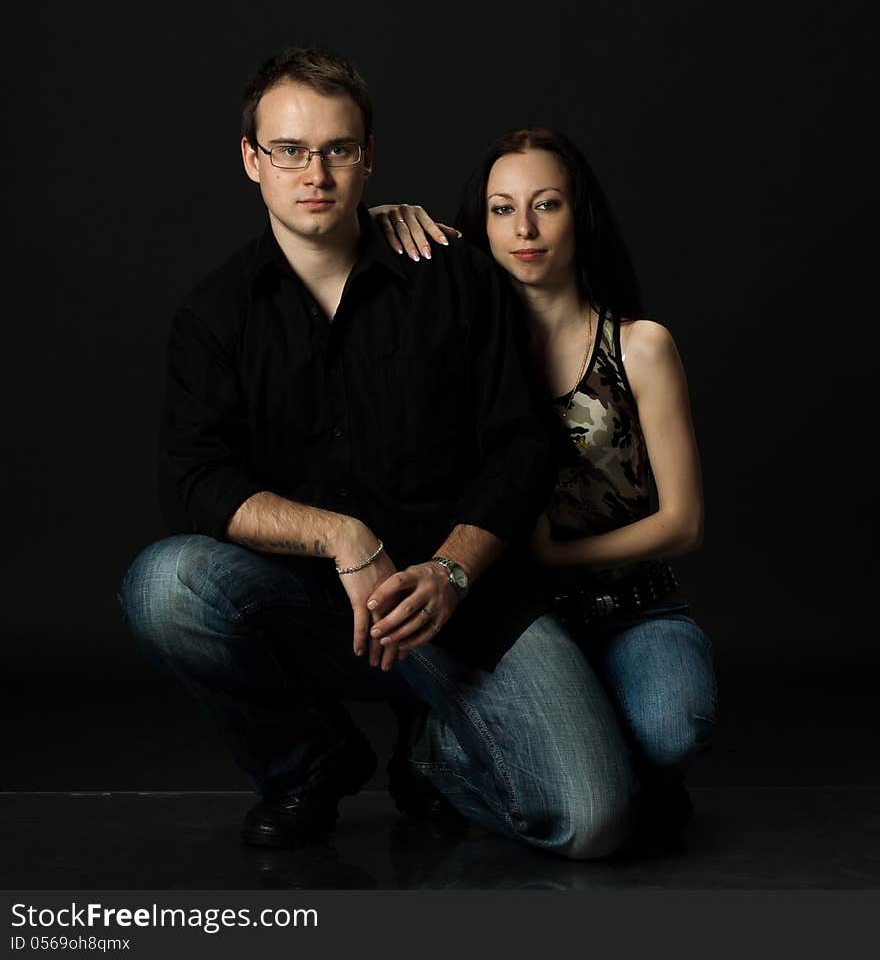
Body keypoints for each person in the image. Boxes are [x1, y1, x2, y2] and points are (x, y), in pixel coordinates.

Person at [119, 51, 640, 859]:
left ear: (369, 156)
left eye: (337, 149)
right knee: (165, 583)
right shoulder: (215, 315)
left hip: (462, 605)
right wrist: (340, 536)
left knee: (594, 817)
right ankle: (309, 765)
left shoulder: (454, 275)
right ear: (252, 160)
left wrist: (453, 570)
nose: (314, 172)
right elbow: (195, 480)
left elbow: (520, 445)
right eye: (290, 150)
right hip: (316, 606)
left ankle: (431, 747)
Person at [372, 128, 717, 837]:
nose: (523, 228)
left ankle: (595, 775)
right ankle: (457, 755)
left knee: (672, 731)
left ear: (579, 215)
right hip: (522, 619)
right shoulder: (470, 354)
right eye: (501, 209)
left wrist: (558, 554)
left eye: (546, 204)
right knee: (603, 786)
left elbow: (684, 522)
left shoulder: (639, 346)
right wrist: (375, 220)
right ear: (480, 225)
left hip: (635, 609)